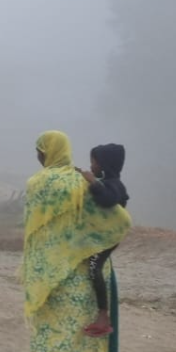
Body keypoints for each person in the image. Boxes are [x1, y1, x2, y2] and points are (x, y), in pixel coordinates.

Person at [19, 131, 132, 352]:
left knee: (52, 332)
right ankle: (102, 314)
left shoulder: (39, 182)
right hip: (88, 265)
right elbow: (116, 218)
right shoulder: (82, 181)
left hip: (52, 271)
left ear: (46, 153)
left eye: (39, 152)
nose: (38, 157)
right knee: (83, 338)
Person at [76, 143, 129, 338]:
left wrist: (93, 182)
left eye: (94, 162)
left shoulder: (114, 184)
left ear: (104, 164)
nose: (91, 166)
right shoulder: (109, 181)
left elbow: (107, 199)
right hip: (103, 235)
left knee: (93, 266)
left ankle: (102, 316)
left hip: (110, 236)